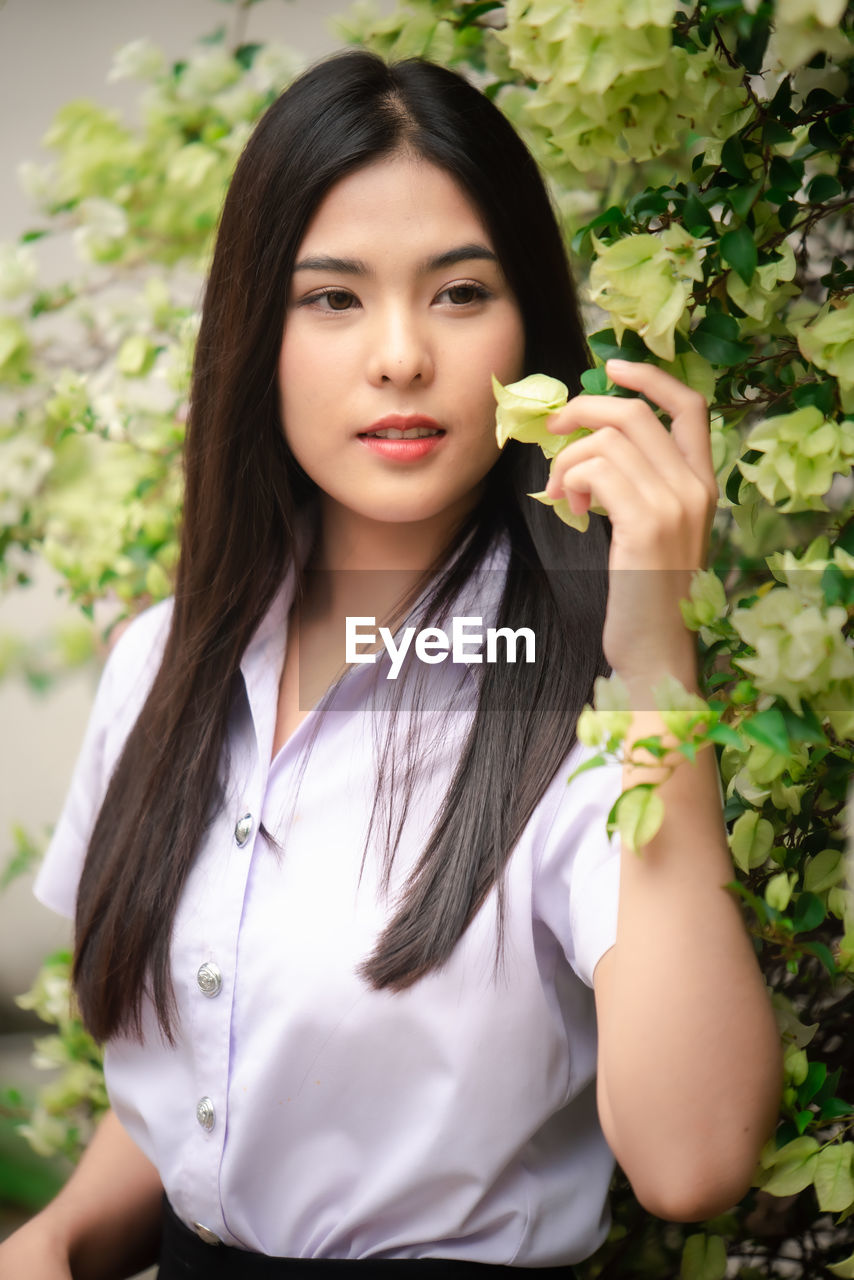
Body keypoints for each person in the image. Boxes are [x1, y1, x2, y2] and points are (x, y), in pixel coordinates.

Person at [0, 49, 781, 1280]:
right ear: (256, 331)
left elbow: (691, 1161)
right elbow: (210, 1063)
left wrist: (649, 657)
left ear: (532, 334)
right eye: (333, 298)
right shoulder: (160, 663)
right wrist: (55, 1236)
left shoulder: (587, 698)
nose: (401, 355)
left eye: (460, 292)